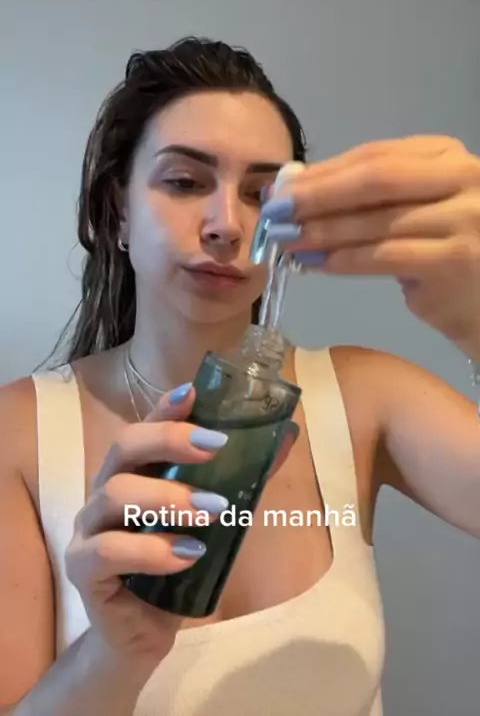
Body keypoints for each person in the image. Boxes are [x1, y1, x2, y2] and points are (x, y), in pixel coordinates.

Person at [0, 36, 479, 716]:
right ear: (119, 210)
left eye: (260, 194)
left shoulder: (365, 397)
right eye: (184, 182)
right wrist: (113, 653)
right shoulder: (18, 434)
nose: (226, 224)